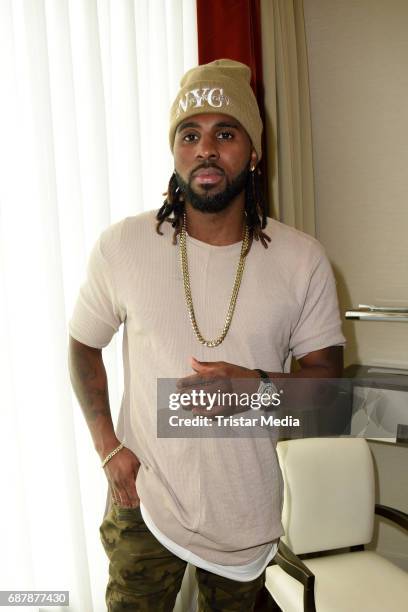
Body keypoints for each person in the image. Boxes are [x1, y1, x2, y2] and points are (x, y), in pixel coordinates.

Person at [68, 59, 345, 611]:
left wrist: (252, 388)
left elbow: (326, 395)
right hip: (144, 501)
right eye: (190, 135)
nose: (206, 149)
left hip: (245, 513)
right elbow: (82, 344)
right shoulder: (124, 246)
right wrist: (108, 449)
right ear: (175, 152)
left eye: (226, 133)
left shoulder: (302, 260)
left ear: (254, 153)